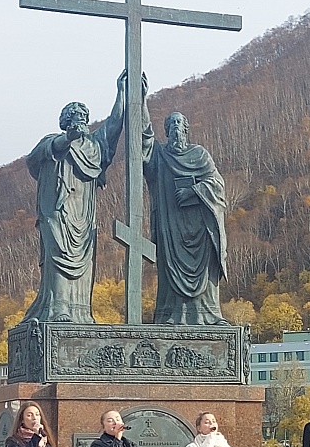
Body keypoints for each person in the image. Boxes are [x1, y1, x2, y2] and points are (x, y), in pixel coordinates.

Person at [22, 71, 126, 324]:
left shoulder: (94, 146)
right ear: (65, 122)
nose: (80, 120)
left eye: (83, 117)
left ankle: (79, 312)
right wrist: (68, 138)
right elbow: (37, 157)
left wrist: (122, 92)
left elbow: (114, 125)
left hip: (84, 216)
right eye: (74, 117)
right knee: (57, 257)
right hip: (57, 213)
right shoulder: (53, 141)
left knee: (85, 262)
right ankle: (58, 309)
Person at [143, 111, 229, 325]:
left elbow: (217, 184)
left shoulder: (199, 154)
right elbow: (144, 141)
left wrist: (194, 191)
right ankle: (173, 315)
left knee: (205, 273)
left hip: (200, 227)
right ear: (166, 131)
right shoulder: (160, 156)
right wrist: (141, 101)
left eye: (179, 122)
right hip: (171, 228)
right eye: (171, 123)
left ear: (186, 128)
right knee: (171, 270)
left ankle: (209, 315)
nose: (175, 127)